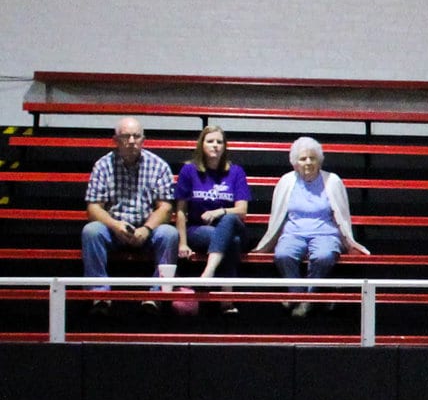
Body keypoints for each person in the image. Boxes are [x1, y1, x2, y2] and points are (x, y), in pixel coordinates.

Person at [251, 137, 368, 316]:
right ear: (295, 163)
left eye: (312, 158)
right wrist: (269, 243)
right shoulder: (286, 181)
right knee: (283, 254)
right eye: (303, 158)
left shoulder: (332, 181)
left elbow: (341, 216)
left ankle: (310, 297)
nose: (308, 162)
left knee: (323, 256)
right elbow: (278, 216)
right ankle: (296, 292)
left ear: (319, 161)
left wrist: (348, 242)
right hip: (293, 233)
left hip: (325, 233)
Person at [79, 117, 178, 307]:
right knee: (91, 231)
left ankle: (156, 296)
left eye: (136, 136)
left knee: (169, 234)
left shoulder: (159, 166)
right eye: (126, 136)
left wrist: (147, 228)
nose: (132, 141)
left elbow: (165, 207)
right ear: (115, 140)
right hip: (114, 229)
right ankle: (99, 295)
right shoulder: (102, 166)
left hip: (147, 230)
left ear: (144, 139)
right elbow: (93, 208)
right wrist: (116, 226)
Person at [170, 123, 250, 313]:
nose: (215, 145)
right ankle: (226, 300)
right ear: (202, 145)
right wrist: (182, 243)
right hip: (198, 230)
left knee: (229, 222)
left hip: (231, 223)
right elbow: (181, 210)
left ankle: (208, 272)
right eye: (210, 141)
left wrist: (219, 212)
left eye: (219, 142)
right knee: (233, 240)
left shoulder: (236, 171)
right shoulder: (189, 171)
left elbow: (242, 210)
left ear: (225, 146)